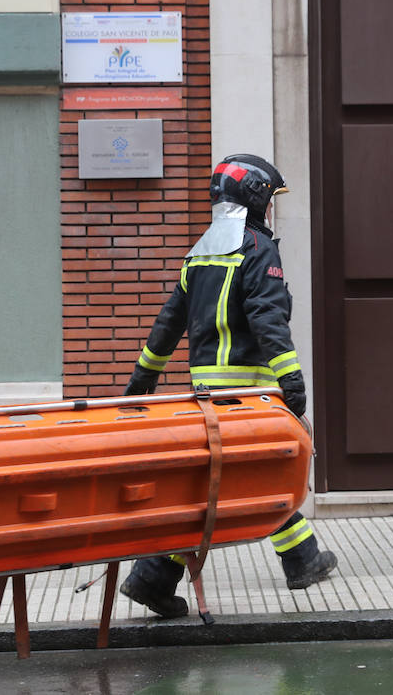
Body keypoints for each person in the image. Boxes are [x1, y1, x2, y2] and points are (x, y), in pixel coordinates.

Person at [119, 154, 338, 618]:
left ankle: (157, 578)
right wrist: (292, 386)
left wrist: (140, 385)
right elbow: (269, 321)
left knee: (230, 482)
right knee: (257, 478)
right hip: (249, 395)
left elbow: (166, 327)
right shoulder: (257, 249)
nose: (273, 210)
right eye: (271, 200)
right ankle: (298, 561)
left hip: (207, 395)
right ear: (256, 198)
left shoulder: (198, 253)